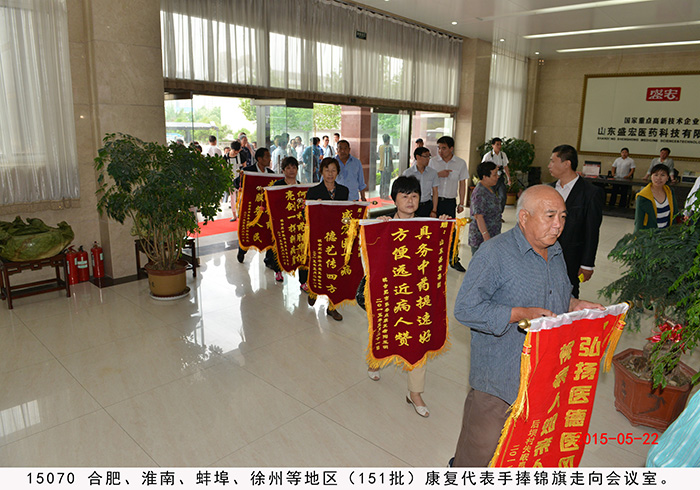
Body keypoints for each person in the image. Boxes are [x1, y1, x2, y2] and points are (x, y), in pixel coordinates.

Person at [450, 185, 602, 467]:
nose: (558, 225)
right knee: (479, 452)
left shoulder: (555, 250)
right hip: (500, 381)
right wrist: (519, 313)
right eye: (550, 216)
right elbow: (465, 309)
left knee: (524, 451)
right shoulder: (494, 253)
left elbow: (555, 295)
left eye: (563, 217)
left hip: (542, 377)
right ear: (524, 217)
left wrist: (573, 305)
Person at [365, 175, 449, 417]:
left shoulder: (427, 226)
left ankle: (415, 392)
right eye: (405, 196)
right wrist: (378, 228)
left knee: (418, 338)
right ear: (394, 199)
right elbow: (371, 259)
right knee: (384, 328)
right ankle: (375, 360)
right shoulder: (384, 224)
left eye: (414, 195)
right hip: (392, 293)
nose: (410, 200)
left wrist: (444, 226)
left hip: (419, 293)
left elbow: (439, 255)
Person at [548, 144, 604, 299]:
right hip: (544, 255)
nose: (549, 165)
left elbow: (592, 231)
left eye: (552, 161)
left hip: (571, 257)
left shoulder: (590, 192)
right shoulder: (548, 189)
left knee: (569, 295)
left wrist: (587, 264)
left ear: (567, 164)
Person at [300, 157, 349, 322]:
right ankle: (313, 291)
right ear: (321, 172)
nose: (330, 173)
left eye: (333, 170)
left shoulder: (343, 191)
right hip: (319, 237)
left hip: (337, 238)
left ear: (338, 173)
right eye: (327, 170)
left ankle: (332, 307)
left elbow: (346, 213)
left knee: (336, 271)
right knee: (318, 267)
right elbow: (304, 215)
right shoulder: (313, 191)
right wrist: (314, 207)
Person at [429, 135, 469, 272]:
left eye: (444, 148)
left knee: (451, 231)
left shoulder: (460, 163)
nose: (440, 151)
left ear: (451, 148)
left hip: (449, 202)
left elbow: (462, 183)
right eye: (439, 148)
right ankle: (432, 259)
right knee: (433, 230)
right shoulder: (433, 162)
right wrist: (438, 174)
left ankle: (453, 259)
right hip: (434, 201)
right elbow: (426, 178)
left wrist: (461, 203)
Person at [235, 148, 277, 266]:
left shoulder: (271, 174)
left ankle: (269, 260)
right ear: (259, 158)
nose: (269, 159)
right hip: (251, 208)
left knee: (269, 231)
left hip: (266, 209)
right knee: (249, 231)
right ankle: (242, 249)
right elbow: (236, 184)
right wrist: (241, 179)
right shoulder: (248, 171)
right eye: (267, 156)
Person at [270, 156, 301, 282]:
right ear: (283, 170)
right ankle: (278, 270)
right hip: (281, 222)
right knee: (279, 245)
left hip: (296, 222)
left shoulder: (301, 186)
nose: (291, 170)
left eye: (294, 167)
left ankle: (303, 280)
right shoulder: (277, 186)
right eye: (288, 168)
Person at [467, 161, 501, 255]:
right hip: (481, 239)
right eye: (494, 175)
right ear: (485, 177)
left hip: (492, 236)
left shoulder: (489, 188)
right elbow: (479, 217)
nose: (497, 177)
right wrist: (486, 237)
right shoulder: (479, 193)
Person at [635, 163, 678, 232]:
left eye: (663, 175)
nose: (658, 178)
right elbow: (639, 220)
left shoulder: (670, 191)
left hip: (667, 233)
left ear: (667, 178)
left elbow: (675, 212)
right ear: (651, 176)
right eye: (656, 175)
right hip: (650, 234)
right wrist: (637, 236)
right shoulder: (643, 196)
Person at [403, 146, 438, 217]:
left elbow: (435, 192)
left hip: (427, 206)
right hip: (412, 205)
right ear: (417, 157)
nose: (428, 159)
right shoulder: (408, 173)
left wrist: (434, 210)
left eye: (429, 156)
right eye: (425, 156)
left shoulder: (433, 173)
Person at [481, 137, 511, 214]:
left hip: (500, 179)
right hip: (490, 180)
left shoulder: (503, 155)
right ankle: (490, 214)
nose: (499, 146)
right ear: (493, 145)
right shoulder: (488, 156)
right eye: (497, 144)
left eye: (500, 144)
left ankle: (499, 214)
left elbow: (506, 167)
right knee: (491, 197)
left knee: (503, 196)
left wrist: (509, 178)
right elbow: (482, 168)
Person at [377, 134, 395, 199]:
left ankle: (381, 194)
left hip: (381, 166)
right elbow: (392, 156)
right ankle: (386, 195)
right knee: (387, 182)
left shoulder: (380, 147)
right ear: (388, 139)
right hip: (388, 167)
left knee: (382, 181)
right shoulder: (390, 147)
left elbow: (379, 155)